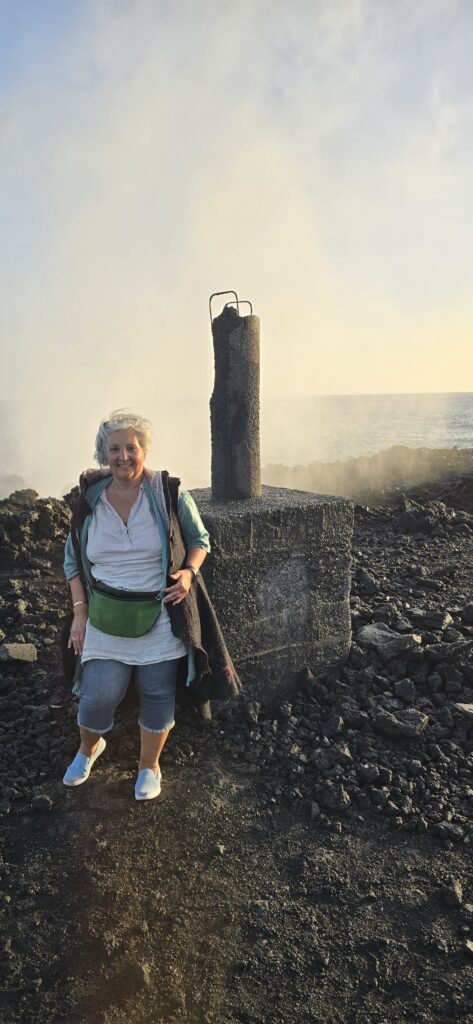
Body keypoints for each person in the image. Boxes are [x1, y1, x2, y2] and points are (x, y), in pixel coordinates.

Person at [63, 409, 240, 801]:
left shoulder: (168, 494)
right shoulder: (90, 501)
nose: (123, 456)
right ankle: (89, 748)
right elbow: (73, 562)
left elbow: (200, 540)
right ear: (103, 454)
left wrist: (188, 574)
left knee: (157, 691)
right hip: (106, 616)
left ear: (144, 450)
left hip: (159, 613)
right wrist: (80, 614)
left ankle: (149, 766)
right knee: (98, 693)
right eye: (114, 449)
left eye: (131, 447)